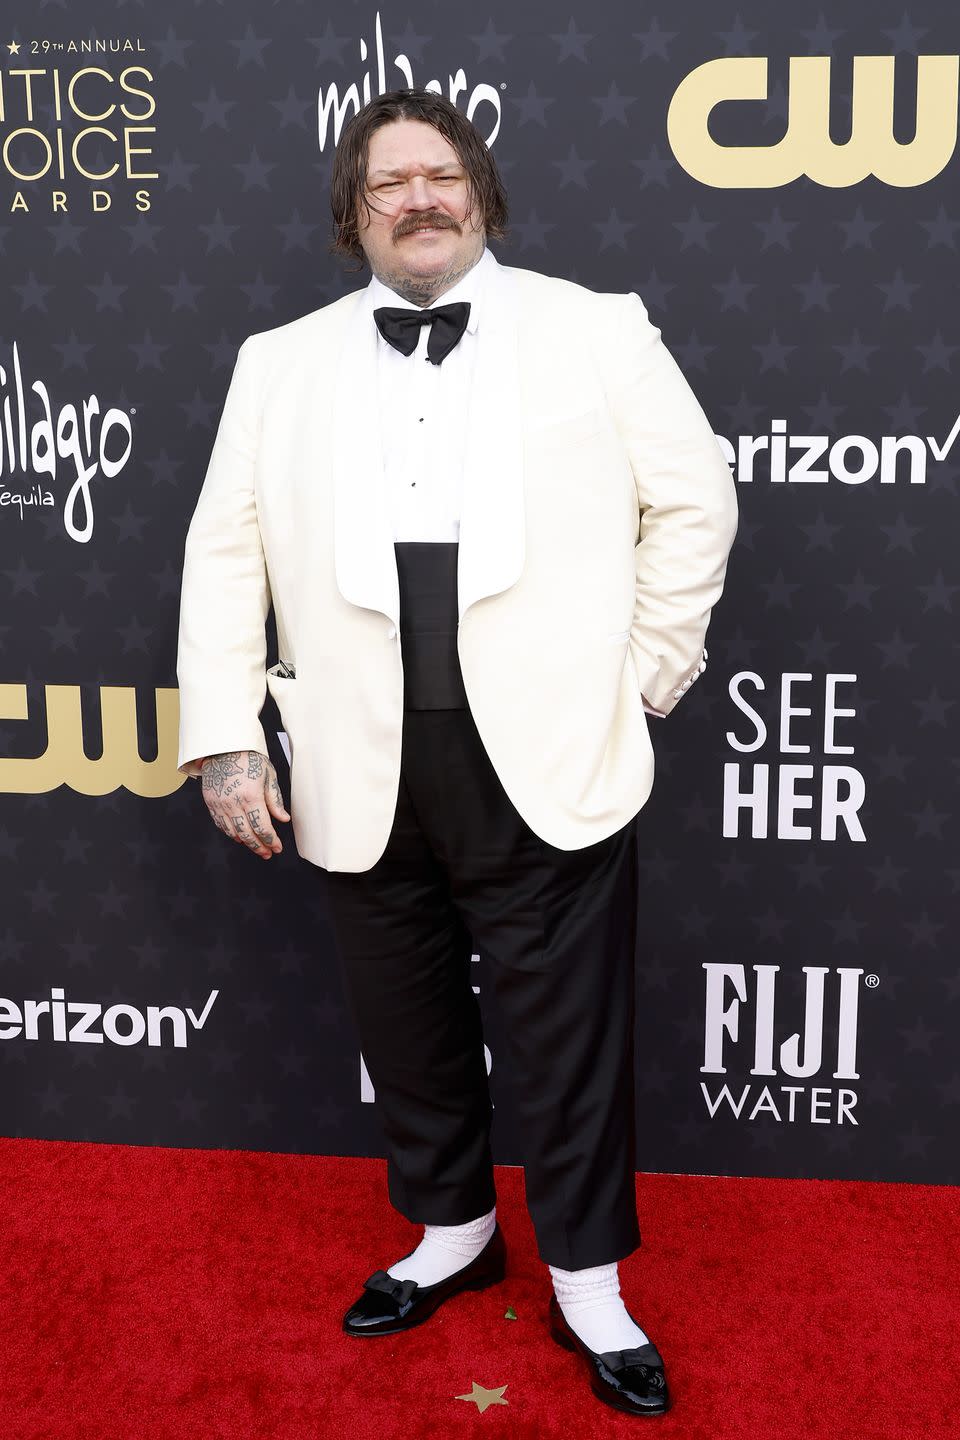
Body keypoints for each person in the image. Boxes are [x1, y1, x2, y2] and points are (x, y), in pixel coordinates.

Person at [176, 87, 737, 1418]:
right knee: (405, 1015)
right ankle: (453, 1231)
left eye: (439, 173)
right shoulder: (280, 359)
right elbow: (223, 557)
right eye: (387, 183)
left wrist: (644, 671)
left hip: (548, 740)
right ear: (353, 212)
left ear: (477, 189)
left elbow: (695, 498)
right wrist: (223, 743)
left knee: (569, 1036)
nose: (417, 198)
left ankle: (589, 1278)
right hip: (357, 745)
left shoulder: (594, 328)